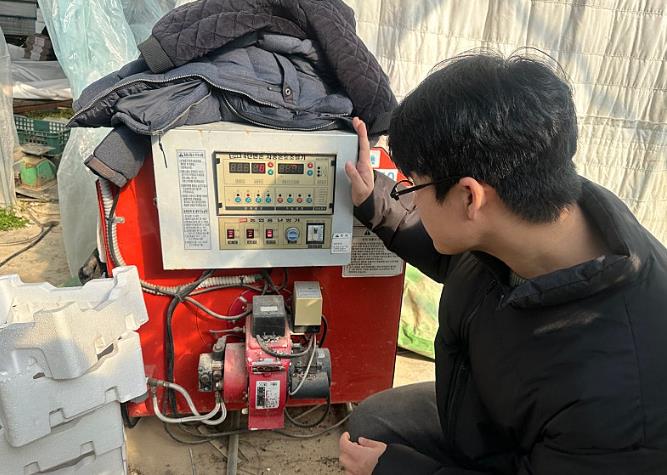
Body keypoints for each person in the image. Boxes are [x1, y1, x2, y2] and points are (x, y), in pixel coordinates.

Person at [338, 52, 667, 475]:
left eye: (412, 185)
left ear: (469, 197)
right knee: (373, 423)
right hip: (490, 411)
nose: (408, 194)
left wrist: (398, 470)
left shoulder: (619, 398)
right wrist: (375, 201)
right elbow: (455, 258)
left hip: (541, 452)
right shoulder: (537, 207)